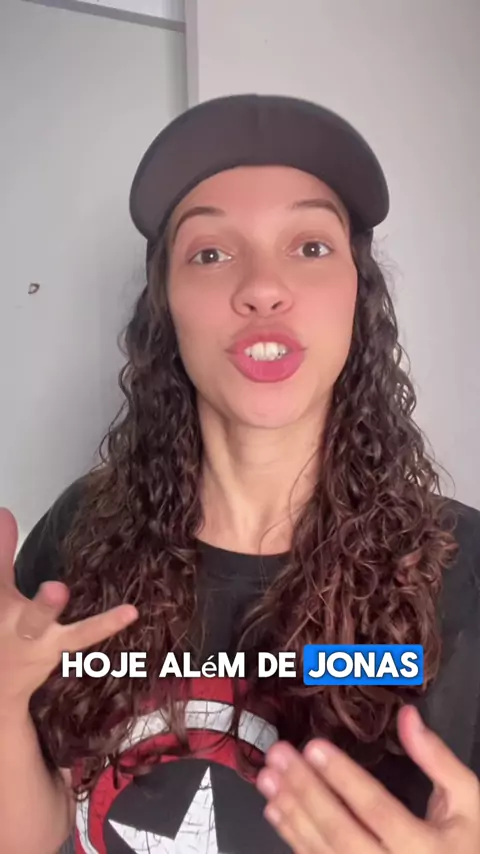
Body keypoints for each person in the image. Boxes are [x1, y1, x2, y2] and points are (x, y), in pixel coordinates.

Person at [0, 94, 479, 854]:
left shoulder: (466, 569)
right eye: (211, 253)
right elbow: (35, 833)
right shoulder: (78, 530)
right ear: (165, 305)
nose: (262, 286)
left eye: (310, 247)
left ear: (359, 294)